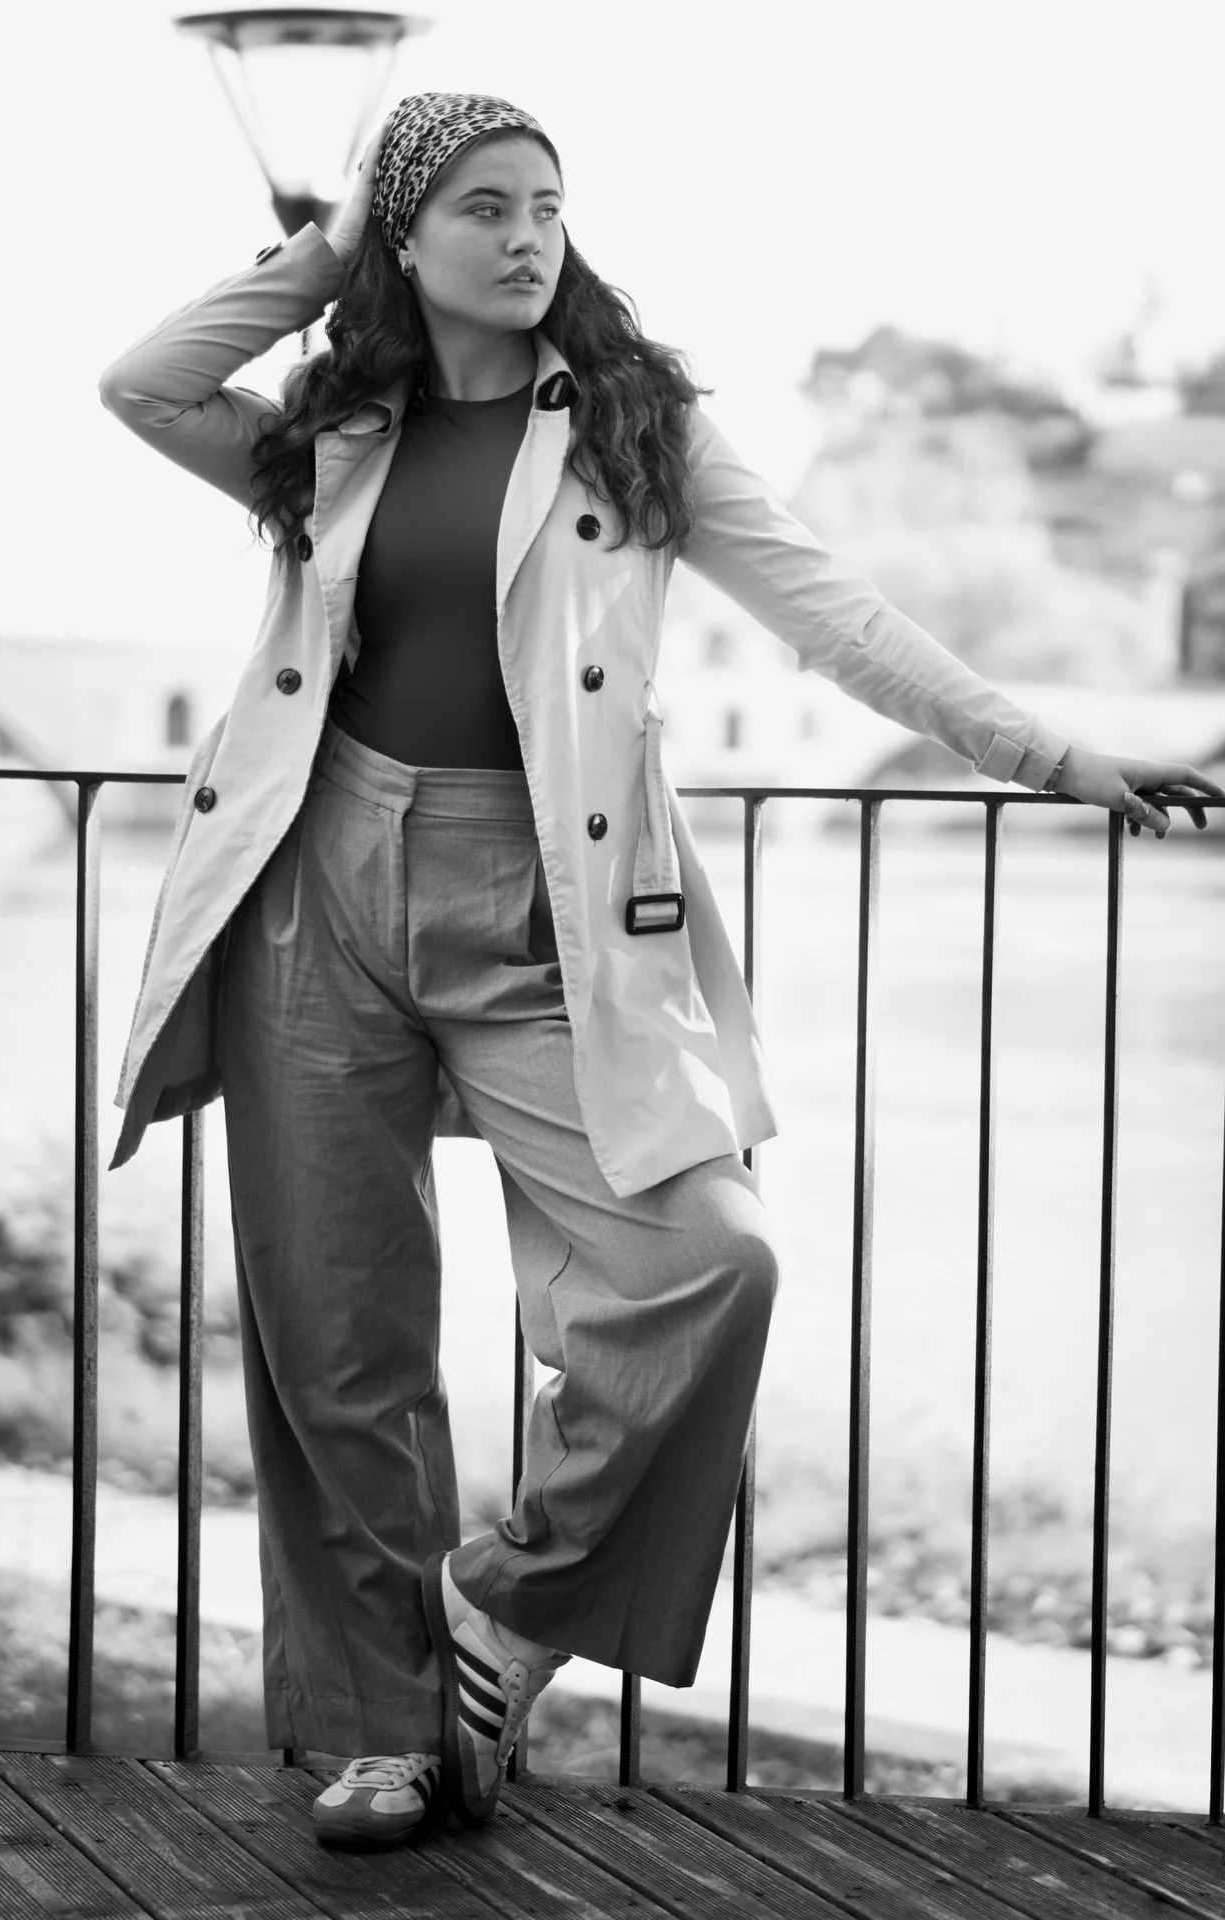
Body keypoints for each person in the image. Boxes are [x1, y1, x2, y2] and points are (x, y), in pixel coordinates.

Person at [97, 91, 1221, 1851]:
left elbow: (836, 617)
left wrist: (1052, 756)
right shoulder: (335, 427)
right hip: (316, 887)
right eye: (481, 207)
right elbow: (146, 383)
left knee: (710, 1261)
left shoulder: (632, 426)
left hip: (547, 905)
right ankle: (389, 1736)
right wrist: (319, 257)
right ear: (407, 239)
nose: (526, 236)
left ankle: (507, 1606)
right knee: (339, 1346)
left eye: (548, 204)